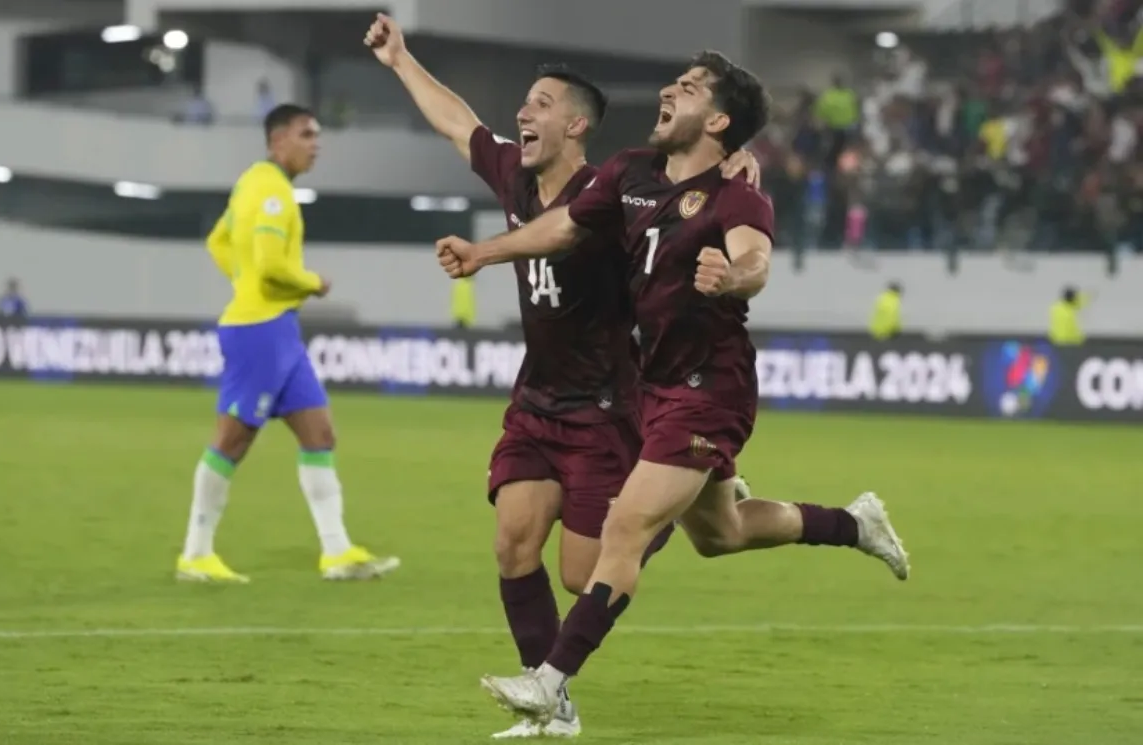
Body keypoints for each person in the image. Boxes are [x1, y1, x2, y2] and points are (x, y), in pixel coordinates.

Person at [436, 50, 910, 722]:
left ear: (717, 119)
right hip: (653, 383)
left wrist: (734, 274)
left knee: (625, 528)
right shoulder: (631, 172)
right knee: (722, 532)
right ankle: (853, 522)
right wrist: (485, 252)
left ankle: (550, 687)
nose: (668, 90)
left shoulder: (738, 192)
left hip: (708, 387)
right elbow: (566, 226)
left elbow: (756, 257)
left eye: (687, 87)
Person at [366, 15, 759, 739]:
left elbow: (692, 191)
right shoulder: (516, 176)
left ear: (577, 124)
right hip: (536, 400)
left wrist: (735, 169)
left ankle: (669, 505)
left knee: (586, 573)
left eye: (542, 103)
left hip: (607, 409)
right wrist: (400, 60)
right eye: (525, 102)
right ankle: (554, 704)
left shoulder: (611, 194)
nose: (524, 113)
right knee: (514, 542)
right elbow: (461, 125)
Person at [175, 104, 399, 584]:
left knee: (319, 434)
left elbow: (218, 242)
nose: (316, 143)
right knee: (232, 441)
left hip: (276, 329)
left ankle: (337, 553)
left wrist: (246, 282)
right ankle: (195, 554)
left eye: (317, 134)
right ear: (278, 141)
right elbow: (274, 264)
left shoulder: (249, 183)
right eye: (306, 134)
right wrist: (312, 281)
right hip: (260, 330)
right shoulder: (275, 194)